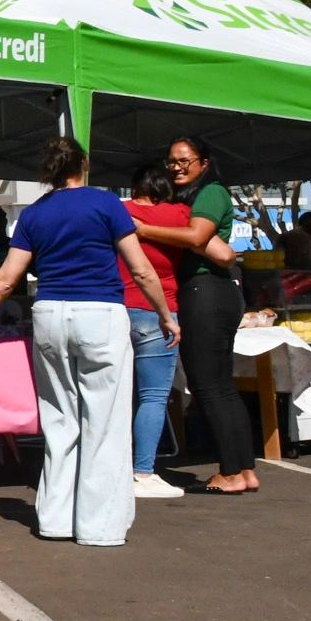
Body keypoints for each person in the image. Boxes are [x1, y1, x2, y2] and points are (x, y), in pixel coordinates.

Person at [0, 139, 177, 546]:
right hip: (100, 314)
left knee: (60, 420)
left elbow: (7, 279)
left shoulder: (34, 213)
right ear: (84, 163)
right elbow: (141, 270)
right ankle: (98, 528)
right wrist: (165, 315)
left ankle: (56, 519)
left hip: (49, 314)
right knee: (104, 423)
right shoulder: (106, 204)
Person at [133, 137, 252, 494]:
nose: (178, 167)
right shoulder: (187, 200)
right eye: (171, 162)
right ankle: (243, 470)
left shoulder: (212, 192)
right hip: (213, 291)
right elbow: (222, 251)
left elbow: (200, 237)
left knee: (208, 386)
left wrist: (142, 228)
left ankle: (231, 472)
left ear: (204, 162)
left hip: (206, 292)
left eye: (185, 161)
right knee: (221, 386)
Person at [117, 166, 192, 500]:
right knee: (153, 396)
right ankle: (142, 472)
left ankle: (105, 469)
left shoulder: (118, 210)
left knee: (109, 394)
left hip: (116, 308)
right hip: (159, 310)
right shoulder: (180, 214)